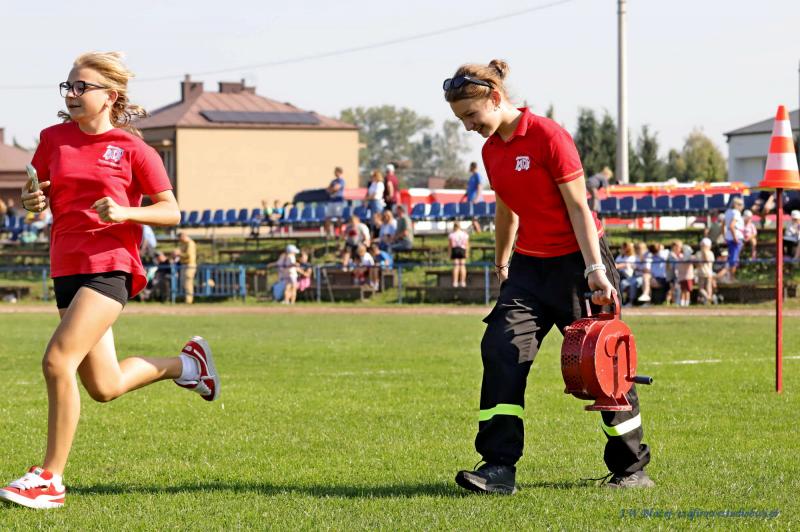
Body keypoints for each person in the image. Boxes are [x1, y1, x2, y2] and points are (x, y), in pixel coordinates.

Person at [0, 52, 219, 510]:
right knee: (105, 386)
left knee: (57, 361)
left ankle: (50, 479)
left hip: (110, 266)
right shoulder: (52, 139)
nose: (73, 94)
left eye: (83, 87)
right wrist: (31, 199)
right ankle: (188, 366)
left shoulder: (135, 149)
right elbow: (37, 196)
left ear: (110, 96)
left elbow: (171, 211)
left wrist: (125, 212)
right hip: (66, 266)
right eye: (69, 86)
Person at [444, 59, 651, 494]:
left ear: (495, 98)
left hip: (579, 265)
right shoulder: (491, 151)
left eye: (471, 115)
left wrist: (595, 270)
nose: (468, 126)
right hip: (528, 269)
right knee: (501, 348)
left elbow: (579, 207)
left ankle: (631, 470)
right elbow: (506, 209)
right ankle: (498, 467)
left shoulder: (549, 136)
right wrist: (503, 263)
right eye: (461, 119)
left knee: (602, 366)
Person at [724, 196, 744, 281]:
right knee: (734, 259)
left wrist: (725, 236)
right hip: (735, 237)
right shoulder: (736, 212)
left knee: (731, 258)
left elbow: (723, 225)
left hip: (729, 237)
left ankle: (730, 277)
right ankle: (731, 278)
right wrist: (735, 238)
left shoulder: (727, 212)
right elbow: (732, 226)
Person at [176, 232, 197, 304]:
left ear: (183, 236)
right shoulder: (183, 243)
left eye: (180, 238)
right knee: (183, 283)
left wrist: (179, 254)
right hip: (184, 265)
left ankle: (189, 300)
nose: (179, 240)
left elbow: (188, 255)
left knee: (188, 282)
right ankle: (185, 298)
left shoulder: (190, 243)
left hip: (189, 265)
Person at [448, 221, 470, 287]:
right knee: (463, 266)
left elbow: (450, 245)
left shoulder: (451, 234)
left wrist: (449, 253)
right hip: (462, 249)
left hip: (455, 250)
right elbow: (467, 245)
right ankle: (462, 282)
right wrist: (467, 252)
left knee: (456, 266)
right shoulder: (464, 234)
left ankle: (455, 282)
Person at [695, 238, 715, 305]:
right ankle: (709, 299)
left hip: (705, 273)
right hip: (704, 273)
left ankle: (709, 299)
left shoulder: (708, 253)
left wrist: (704, 252)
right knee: (704, 288)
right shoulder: (700, 253)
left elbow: (706, 261)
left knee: (704, 288)